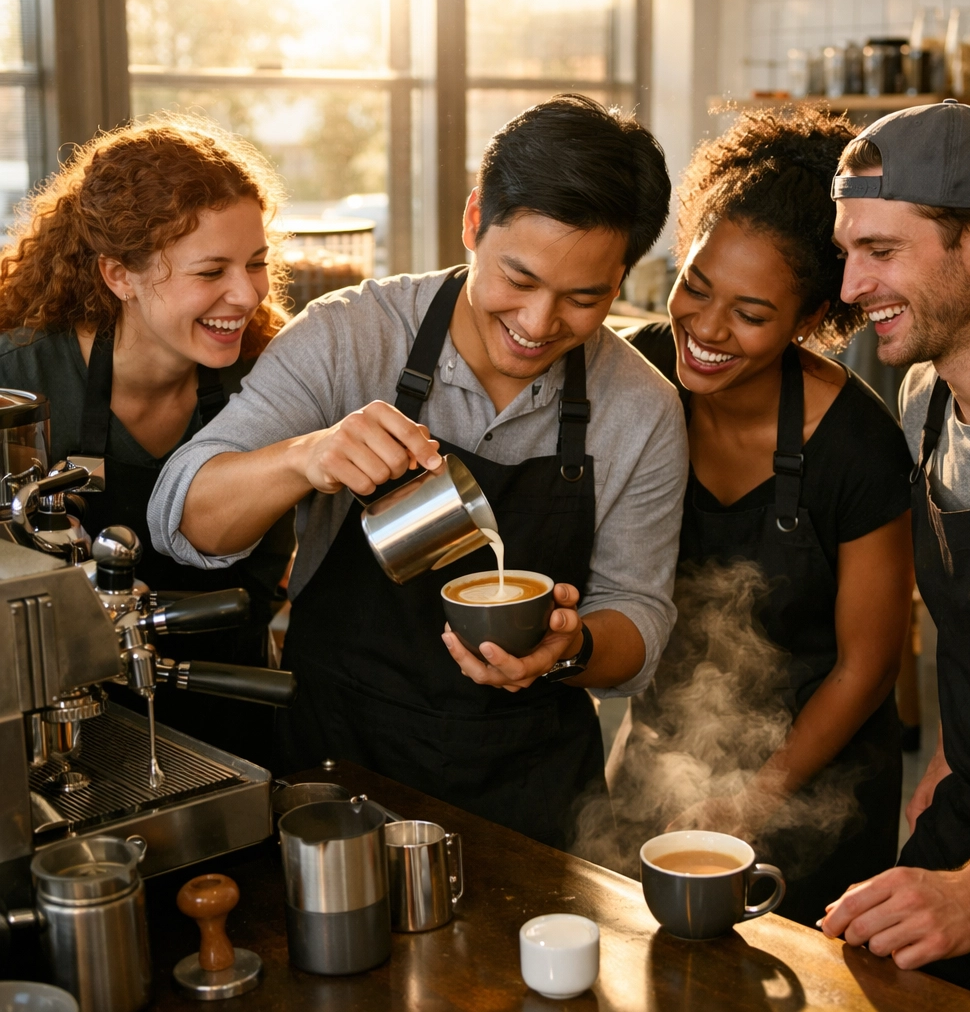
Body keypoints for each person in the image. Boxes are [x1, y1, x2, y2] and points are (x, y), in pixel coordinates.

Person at [147, 94, 687, 850]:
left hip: (530, 785)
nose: (537, 325)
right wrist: (306, 456)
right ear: (473, 222)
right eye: (518, 279)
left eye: (583, 298)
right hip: (342, 762)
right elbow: (181, 516)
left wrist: (569, 648)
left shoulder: (642, 408)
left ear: (625, 276)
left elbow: (639, 618)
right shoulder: (351, 335)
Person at [609, 108, 914, 927]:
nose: (704, 330)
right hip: (657, 754)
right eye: (695, 288)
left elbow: (867, 668)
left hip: (817, 792)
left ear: (811, 320)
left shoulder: (857, 447)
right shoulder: (629, 377)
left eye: (749, 314)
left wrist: (751, 799)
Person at [0, 116, 295, 765]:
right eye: (211, 270)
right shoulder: (20, 381)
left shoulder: (270, 374)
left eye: (256, 263)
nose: (245, 295)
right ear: (118, 275)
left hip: (235, 703)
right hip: (68, 722)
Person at [822, 100, 970, 1010]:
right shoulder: (921, 405)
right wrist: (948, 756)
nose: (853, 286)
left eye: (882, 251)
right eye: (847, 253)